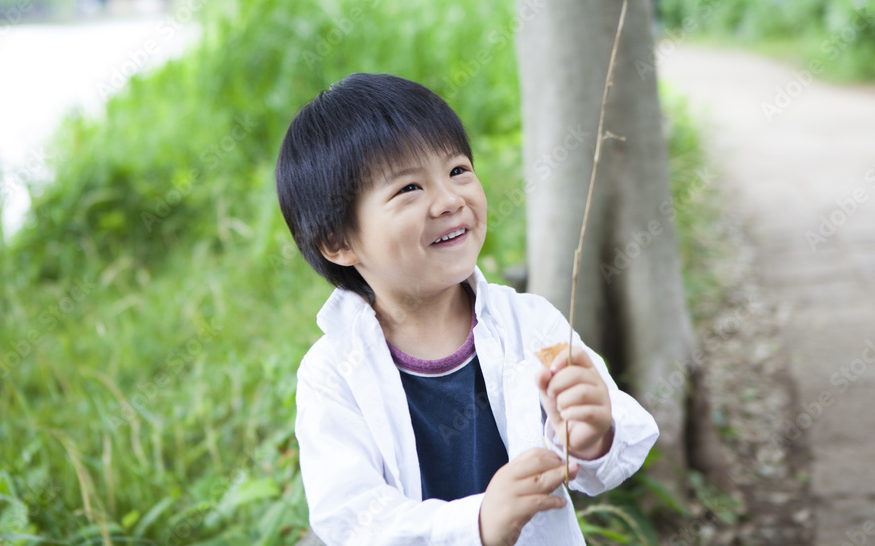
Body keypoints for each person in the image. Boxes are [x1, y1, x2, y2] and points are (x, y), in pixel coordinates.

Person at [275, 73, 659, 545]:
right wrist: (477, 523)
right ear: (338, 242)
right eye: (408, 189)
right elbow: (351, 520)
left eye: (457, 170)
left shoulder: (530, 324)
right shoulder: (333, 373)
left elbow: (615, 449)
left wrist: (593, 434)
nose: (450, 200)